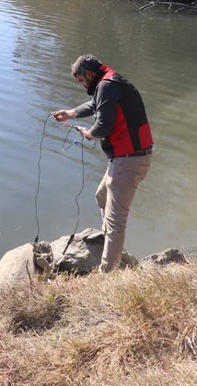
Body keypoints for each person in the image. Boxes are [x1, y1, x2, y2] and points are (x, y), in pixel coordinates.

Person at [53, 54, 153, 273]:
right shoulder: (109, 82)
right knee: (102, 197)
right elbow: (95, 104)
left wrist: (88, 134)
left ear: (89, 74)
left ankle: (107, 275)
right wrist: (71, 113)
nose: (82, 85)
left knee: (116, 223)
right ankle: (110, 244)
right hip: (128, 158)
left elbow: (103, 126)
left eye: (81, 80)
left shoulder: (106, 85)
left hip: (129, 160)